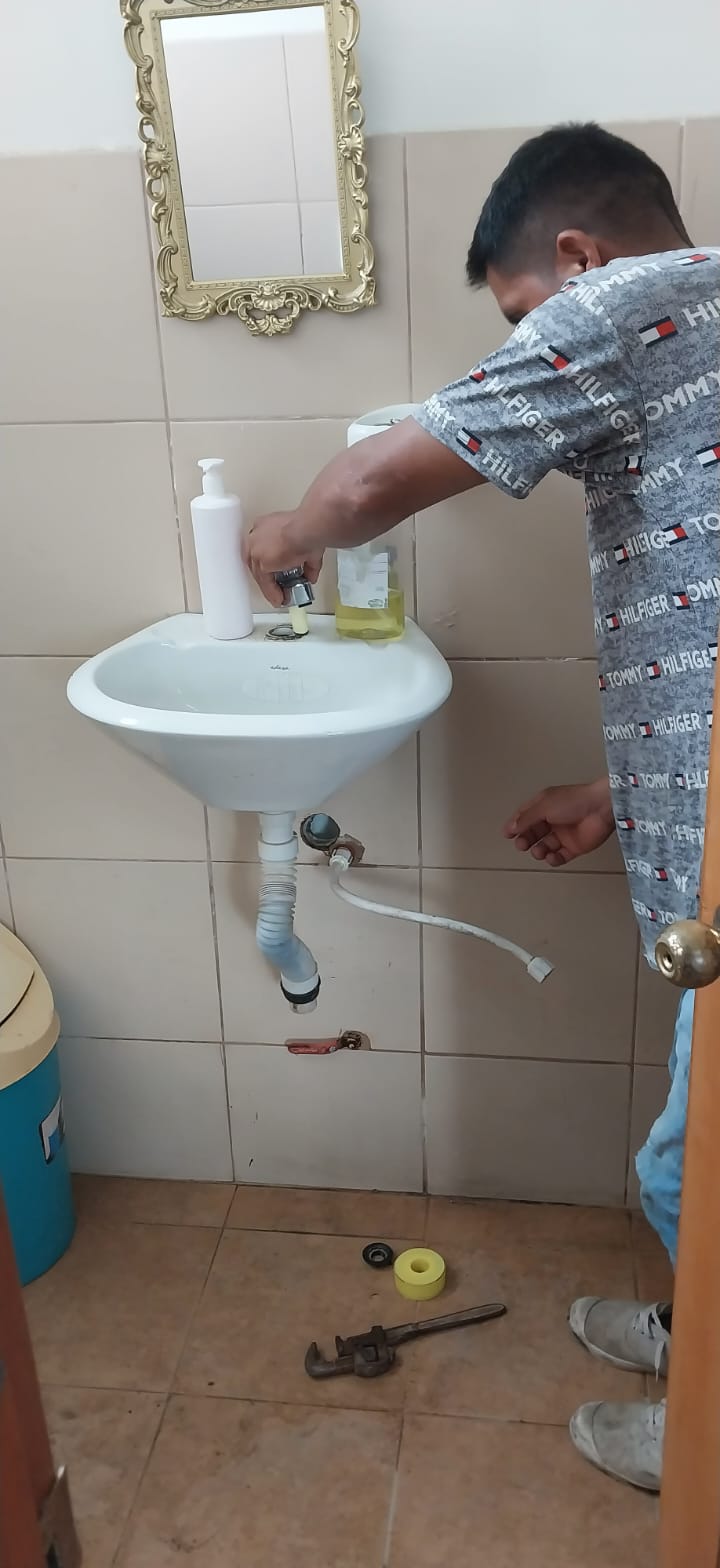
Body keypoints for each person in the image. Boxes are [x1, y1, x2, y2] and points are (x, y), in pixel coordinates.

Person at [244, 122, 720, 1493]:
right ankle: (691, 1333)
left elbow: (371, 483)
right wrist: (619, 796)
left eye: (522, 315)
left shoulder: (626, 303)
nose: (529, 343)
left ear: (577, 257)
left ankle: (705, 1434)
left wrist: (284, 536)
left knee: (689, 1170)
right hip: (695, 825)